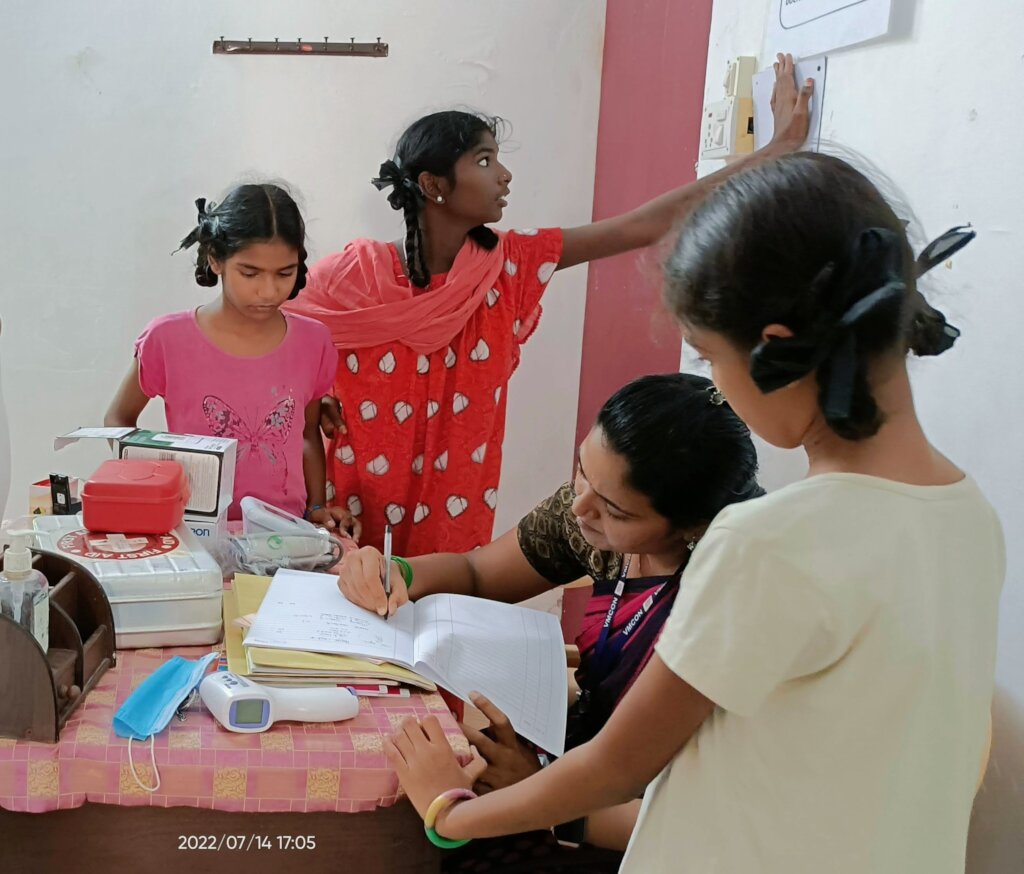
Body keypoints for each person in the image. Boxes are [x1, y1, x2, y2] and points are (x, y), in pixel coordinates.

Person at [379, 153, 1003, 874]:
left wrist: (449, 813)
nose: (718, 390)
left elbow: (615, 769)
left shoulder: (764, 542)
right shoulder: (969, 516)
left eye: (708, 358)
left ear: (774, 350)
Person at [287, 56, 812, 556]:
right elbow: (276, 322)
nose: (504, 175)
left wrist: (773, 153)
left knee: (442, 604)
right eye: (485, 160)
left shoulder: (508, 264)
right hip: (356, 503)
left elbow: (641, 226)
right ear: (433, 185)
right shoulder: (358, 276)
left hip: (456, 507)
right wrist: (312, 392)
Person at [338, 372, 763, 870]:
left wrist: (537, 796)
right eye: (582, 470)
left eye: (614, 511)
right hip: (570, 769)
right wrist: (398, 572)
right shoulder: (591, 512)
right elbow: (477, 573)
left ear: (690, 526)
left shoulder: (725, 603)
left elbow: (692, 820)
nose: (580, 508)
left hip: (642, 833)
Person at [105, 183, 358, 535]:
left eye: (284, 273)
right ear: (215, 259)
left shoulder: (313, 342)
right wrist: (154, 482)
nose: (268, 291)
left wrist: (316, 506)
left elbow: (307, 434)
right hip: (194, 532)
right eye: (250, 273)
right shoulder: (167, 339)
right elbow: (118, 418)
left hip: (283, 533)